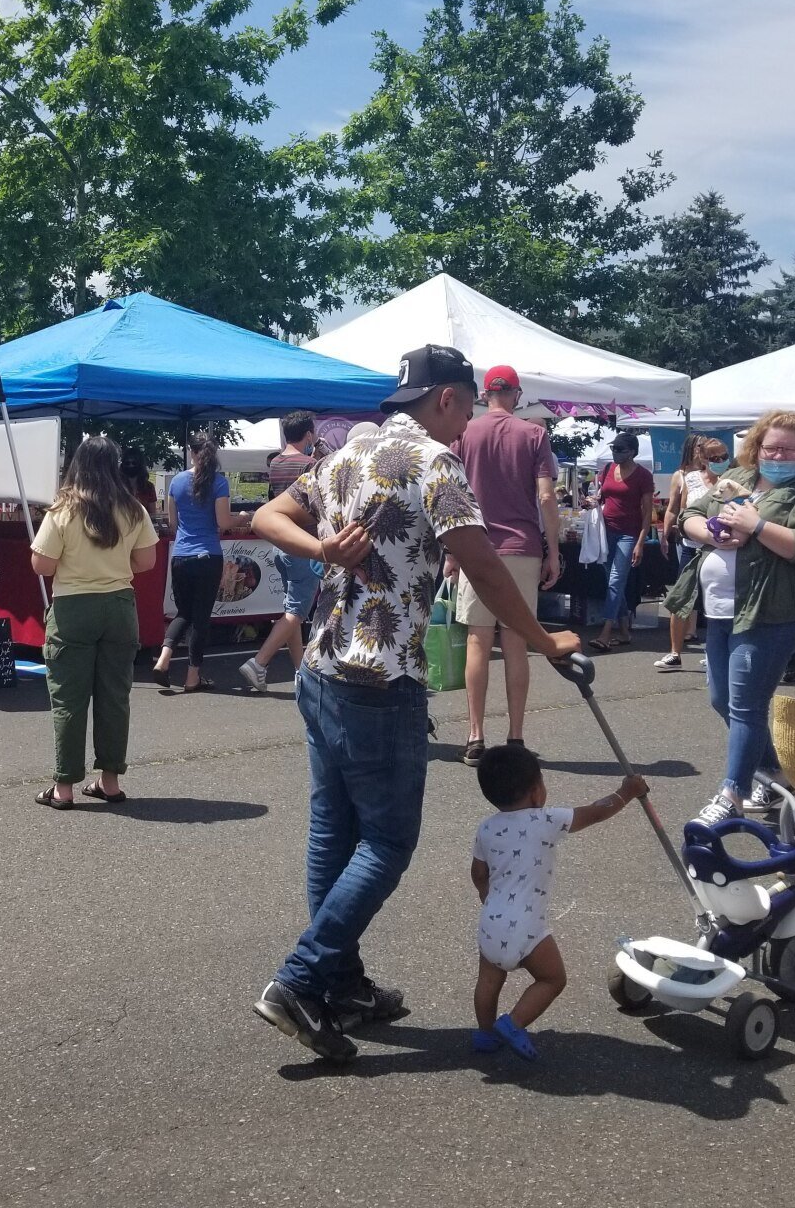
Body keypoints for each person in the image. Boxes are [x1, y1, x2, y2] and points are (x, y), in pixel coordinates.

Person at [248, 345, 580, 1063]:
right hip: (381, 677)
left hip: (321, 668)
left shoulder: (346, 453)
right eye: (466, 406)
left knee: (334, 835)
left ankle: (340, 984)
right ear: (448, 398)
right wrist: (542, 639)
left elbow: (266, 517)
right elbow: (484, 566)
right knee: (387, 844)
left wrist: (321, 550)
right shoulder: (435, 463)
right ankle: (300, 980)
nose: (467, 422)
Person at [667, 409, 795, 827]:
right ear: (757, 447)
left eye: (788, 449)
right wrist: (712, 532)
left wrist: (757, 524)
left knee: (746, 704)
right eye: (771, 447)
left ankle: (733, 794)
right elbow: (690, 515)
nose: (778, 455)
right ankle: (773, 772)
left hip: (772, 613)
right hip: (720, 609)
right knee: (721, 700)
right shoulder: (738, 478)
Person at [469, 746, 648, 1059]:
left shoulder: (486, 828)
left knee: (488, 980)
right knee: (552, 979)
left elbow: (478, 873)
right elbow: (596, 811)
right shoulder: (547, 819)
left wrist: (486, 894)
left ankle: (485, 1034)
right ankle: (513, 1023)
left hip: (491, 921)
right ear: (536, 791)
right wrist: (626, 792)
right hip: (527, 926)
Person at [29, 438, 160, 807]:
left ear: (77, 464)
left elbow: (43, 565)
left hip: (73, 607)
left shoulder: (63, 509)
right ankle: (110, 781)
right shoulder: (133, 508)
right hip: (119, 605)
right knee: (114, 697)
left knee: (69, 699)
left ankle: (64, 787)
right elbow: (146, 562)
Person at [449, 367, 561, 764]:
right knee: (516, 642)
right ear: (516, 394)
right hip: (522, 547)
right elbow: (546, 497)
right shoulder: (534, 434)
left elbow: (453, 495)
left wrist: (451, 554)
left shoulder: (465, 433)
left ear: (484, 394)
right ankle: (515, 737)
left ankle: (475, 736)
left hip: (476, 546)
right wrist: (553, 551)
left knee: (478, 640)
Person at [152, 434, 249, 692]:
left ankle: (163, 658)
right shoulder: (219, 482)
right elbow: (223, 522)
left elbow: (173, 523)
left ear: (191, 451)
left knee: (183, 613)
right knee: (200, 618)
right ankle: (192, 676)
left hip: (181, 554)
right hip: (208, 555)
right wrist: (241, 517)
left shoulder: (177, 481)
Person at [240, 414, 327, 693]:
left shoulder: (276, 463)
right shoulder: (310, 465)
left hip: (281, 543)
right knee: (296, 612)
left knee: (291, 609)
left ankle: (300, 670)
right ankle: (259, 662)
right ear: (309, 434)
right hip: (304, 543)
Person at [655, 435, 729, 672]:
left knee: (715, 601)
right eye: (715, 458)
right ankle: (675, 653)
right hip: (691, 546)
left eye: (724, 457)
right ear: (703, 459)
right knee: (681, 597)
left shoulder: (731, 480)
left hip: (720, 549)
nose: (721, 461)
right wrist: (667, 534)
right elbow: (680, 510)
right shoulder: (690, 479)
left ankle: (714, 651)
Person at [587, 432, 654, 652]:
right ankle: (624, 631)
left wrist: (640, 542)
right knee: (613, 582)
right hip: (606, 531)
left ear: (632, 452)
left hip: (629, 534)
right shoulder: (607, 469)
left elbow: (647, 512)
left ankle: (605, 633)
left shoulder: (643, 476)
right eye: (613, 448)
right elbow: (603, 496)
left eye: (620, 449)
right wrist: (594, 500)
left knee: (615, 581)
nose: (615, 453)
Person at [119, 446, 159, 514]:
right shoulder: (117, 486)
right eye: (127, 463)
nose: (131, 466)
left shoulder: (149, 487)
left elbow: (152, 514)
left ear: (140, 464)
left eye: (134, 463)